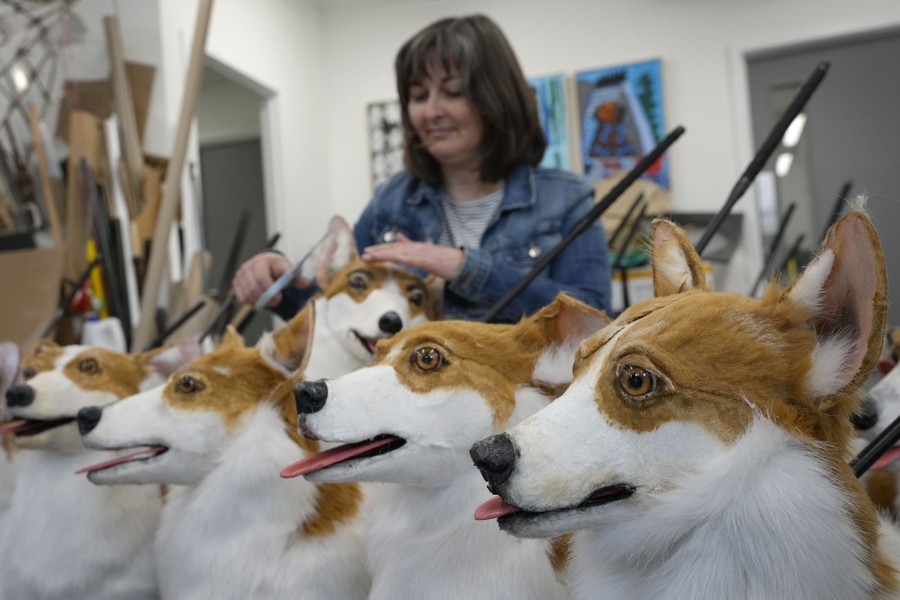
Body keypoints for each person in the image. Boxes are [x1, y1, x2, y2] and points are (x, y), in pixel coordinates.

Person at [233, 14, 611, 323]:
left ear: (497, 97)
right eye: (417, 95)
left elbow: (594, 320)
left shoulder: (566, 198)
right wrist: (279, 286)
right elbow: (332, 311)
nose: (430, 112)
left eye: (452, 92)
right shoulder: (392, 202)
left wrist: (465, 268)